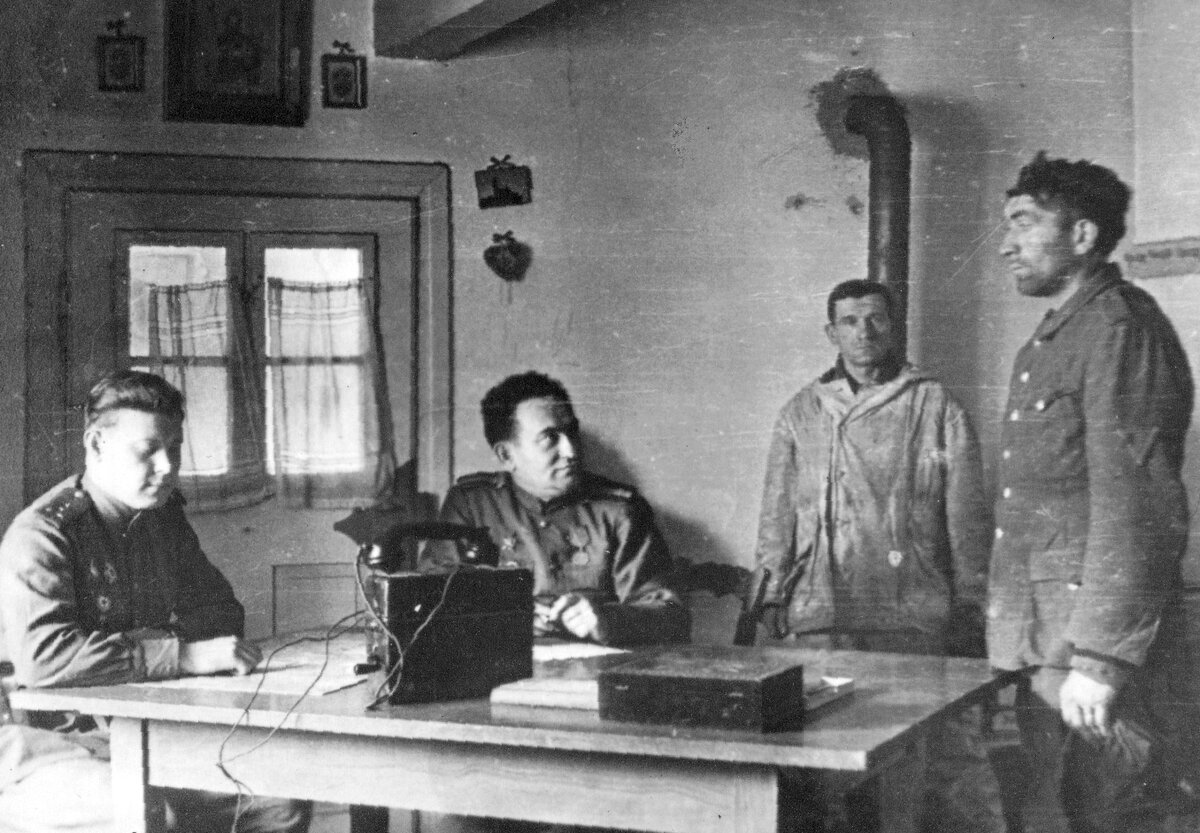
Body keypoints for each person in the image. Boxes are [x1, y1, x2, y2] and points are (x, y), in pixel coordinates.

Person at [0, 370, 311, 833]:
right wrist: (181, 655)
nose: (167, 466)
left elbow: (221, 613)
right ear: (97, 445)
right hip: (36, 739)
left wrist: (153, 643)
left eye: (175, 448)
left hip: (131, 725)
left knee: (277, 802)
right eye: (148, 450)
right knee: (144, 811)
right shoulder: (45, 535)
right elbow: (44, 660)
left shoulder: (161, 520)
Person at [989, 152, 1195, 832]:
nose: (1006, 243)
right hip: (1048, 645)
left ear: (1082, 235)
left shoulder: (1118, 329)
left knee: (1112, 814)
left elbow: (1139, 506)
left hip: (1092, 653)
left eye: (1024, 222)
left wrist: (1102, 660)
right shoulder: (1055, 339)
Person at [754, 279, 1005, 833]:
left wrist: (971, 602)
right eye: (849, 321)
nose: (863, 332)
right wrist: (770, 595)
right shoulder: (802, 411)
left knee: (933, 763)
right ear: (831, 333)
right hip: (824, 613)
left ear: (894, 327)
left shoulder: (934, 405)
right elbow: (777, 515)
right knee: (826, 767)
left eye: (876, 319)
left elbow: (967, 516)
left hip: (910, 614)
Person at [421, 370, 688, 646]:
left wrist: (608, 620)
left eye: (571, 432)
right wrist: (506, 617)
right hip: (498, 662)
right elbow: (428, 598)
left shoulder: (620, 511)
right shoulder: (471, 505)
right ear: (507, 455)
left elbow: (671, 615)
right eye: (549, 438)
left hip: (597, 665)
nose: (571, 452)